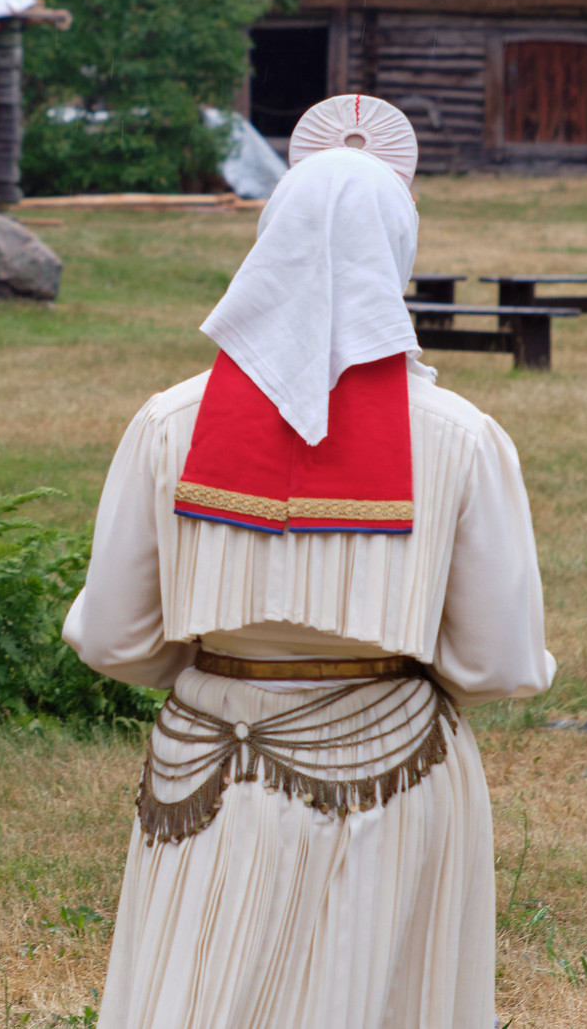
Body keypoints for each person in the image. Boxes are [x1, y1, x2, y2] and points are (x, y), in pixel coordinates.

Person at [63, 94, 555, 1029]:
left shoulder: (168, 423)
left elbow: (118, 635)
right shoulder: (460, 437)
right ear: (400, 252)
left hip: (202, 767)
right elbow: (498, 663)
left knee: (199, 988)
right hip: (393, 771)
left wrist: (224, 671)